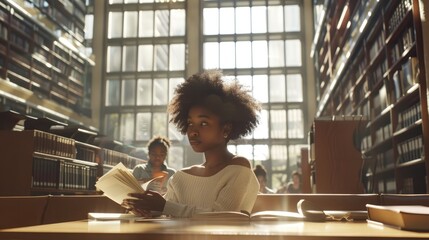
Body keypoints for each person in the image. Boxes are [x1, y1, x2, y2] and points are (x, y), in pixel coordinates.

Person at [122, 69, 261, 218]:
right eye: (190, 123)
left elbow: (223, 217)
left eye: (203, 123)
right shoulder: (180, 177)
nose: (193, 131)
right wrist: (145, 209)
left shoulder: (238, 168)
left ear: (225, 129)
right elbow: (168, 216)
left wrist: (164, 207)